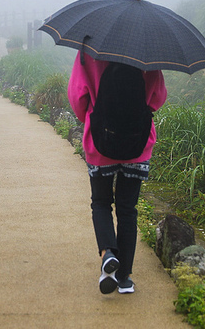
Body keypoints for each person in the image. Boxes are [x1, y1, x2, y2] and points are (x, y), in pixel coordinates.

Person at [67, 51, 167, 295]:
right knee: (127, 209)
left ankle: (108, 253)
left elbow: (77, 96)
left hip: (100, 141)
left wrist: (93, 120)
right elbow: (158, 98)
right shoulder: (145, 52)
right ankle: (125, 279)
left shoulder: (88, 52)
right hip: (138, 144)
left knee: (100, 203)